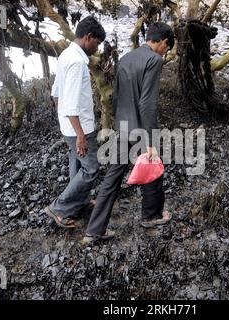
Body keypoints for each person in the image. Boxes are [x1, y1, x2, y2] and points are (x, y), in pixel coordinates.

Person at [81, 22, 175, 244]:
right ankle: (150, 216)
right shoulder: (154, 60)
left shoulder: (125, 58)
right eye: (167, 47)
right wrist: (151, 140)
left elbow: (116, 97)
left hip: (123, 126)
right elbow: (147, 103)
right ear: (163, 42)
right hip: (140, 128)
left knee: (112, 177)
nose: (166, 51)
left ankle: (94, 230)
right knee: (153, 165)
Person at [44, 16, 106, 228]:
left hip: (69, 124)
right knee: (91, 169)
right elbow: (69, 102)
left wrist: (66, 122)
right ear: (88, 37)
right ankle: (60, 207)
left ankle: (78, 203)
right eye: (96, 43)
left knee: (77, 164)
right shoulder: (78, 61)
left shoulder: (65, 54)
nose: (96, 49)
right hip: (80, 127)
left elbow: (56, 94)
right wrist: (80, 134)